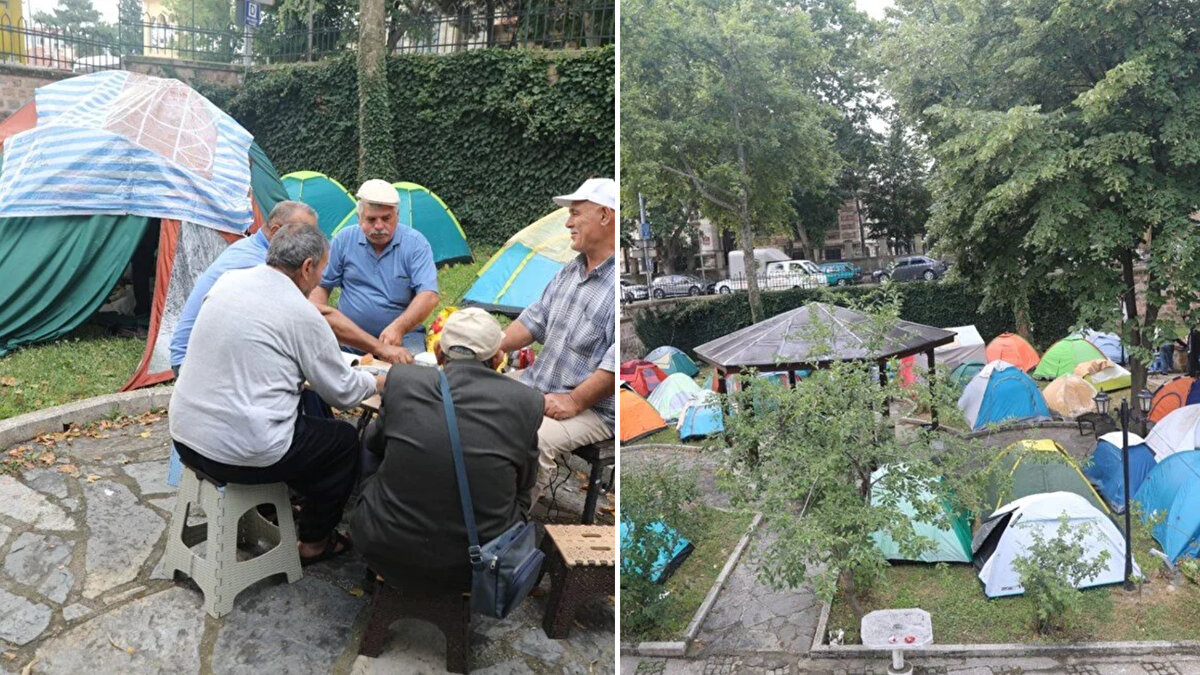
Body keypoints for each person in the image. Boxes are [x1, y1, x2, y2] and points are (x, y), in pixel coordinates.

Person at [169, 222, 383, 564]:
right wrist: (377, 381)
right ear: (308, 267)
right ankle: (315, 542)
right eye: (322, 269)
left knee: (308, 409)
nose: (320, 280)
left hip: (185, 439)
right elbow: (343, 393)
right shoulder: (301, 314)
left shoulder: (230, 281)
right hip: (237, 454)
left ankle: (281, 503)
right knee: (342, 442)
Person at [351, 307, 543, 590]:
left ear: (439, 351)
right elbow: (525, 483)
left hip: (382, 544)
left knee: (370, 436)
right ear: (498, 358)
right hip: (480, 563)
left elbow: (375, 445)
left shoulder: (402, 380)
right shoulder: (528, 401)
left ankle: (382, 520)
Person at [170, 201, 407, 375]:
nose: (310, 242)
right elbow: (315, 315)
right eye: (302, 234)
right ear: (276, 230)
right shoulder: (258, 264)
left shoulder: (257, 249)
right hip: (195, 362)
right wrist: (380, 348)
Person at [497, 178, 617, 503]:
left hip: (591, 409)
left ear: (605, 216)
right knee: (479, 405)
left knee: (533, 443)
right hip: (539, 386)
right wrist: (492, 346)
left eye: (576, 213)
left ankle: (507, 532)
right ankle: (475, 504)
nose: (568, 222)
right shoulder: (569, 271)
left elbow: (615, 363)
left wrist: (575, 401)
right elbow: (534, 320)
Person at [309, 179, 440, 363]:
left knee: (410, 378)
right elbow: (321, 285)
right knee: (320, 367)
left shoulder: (416, 244)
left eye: (386, 218)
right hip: (350, 336)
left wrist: (399, 328)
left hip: (402, 338)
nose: (379, 226)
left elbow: (429, 295)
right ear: (359, 217)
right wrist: (319, 319)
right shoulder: (343, 240)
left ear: (397, 215)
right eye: (371, 219)